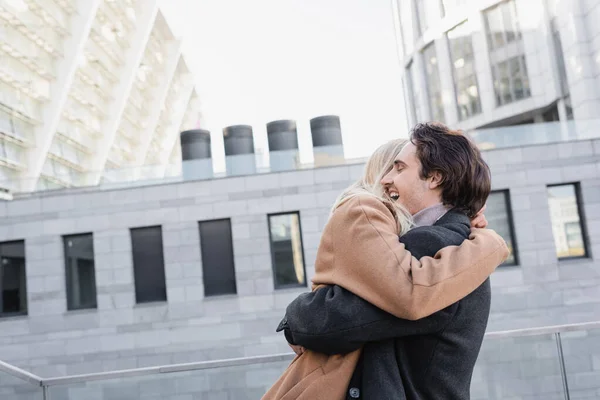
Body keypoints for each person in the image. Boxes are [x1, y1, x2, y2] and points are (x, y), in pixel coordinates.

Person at [262, 126, 509, 400]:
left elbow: (335, 324)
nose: (386, 180)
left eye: (400, 169)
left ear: (435, 177)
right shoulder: (461, 242)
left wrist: (295, 316)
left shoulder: (430, 244)